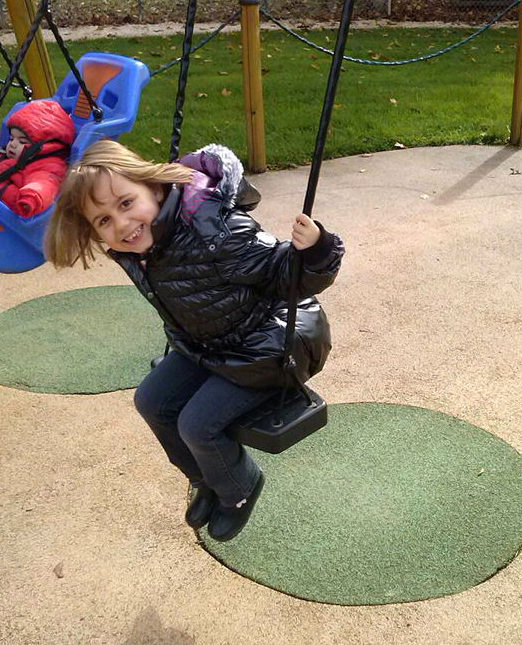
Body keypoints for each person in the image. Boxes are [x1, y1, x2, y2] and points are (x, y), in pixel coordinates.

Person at [45, 139, 344, 542]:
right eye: (103, 220)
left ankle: (239, 487)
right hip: (212, 342)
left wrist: (317, 250)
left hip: (270, 344)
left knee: (197, 425)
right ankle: (205, 477)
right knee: (151, 401)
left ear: (154, 189)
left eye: (126, 203)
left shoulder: (213, 229)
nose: (121, 224)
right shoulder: (140, 248)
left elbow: (282, 273)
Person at [0, 100, 75, 216]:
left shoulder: (47, 165)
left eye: (22, 141)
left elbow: (45, 183)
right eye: (11, 139)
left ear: (44, 146)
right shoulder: (7, 156)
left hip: (5, 215)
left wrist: (31, 197)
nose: (13, 144)